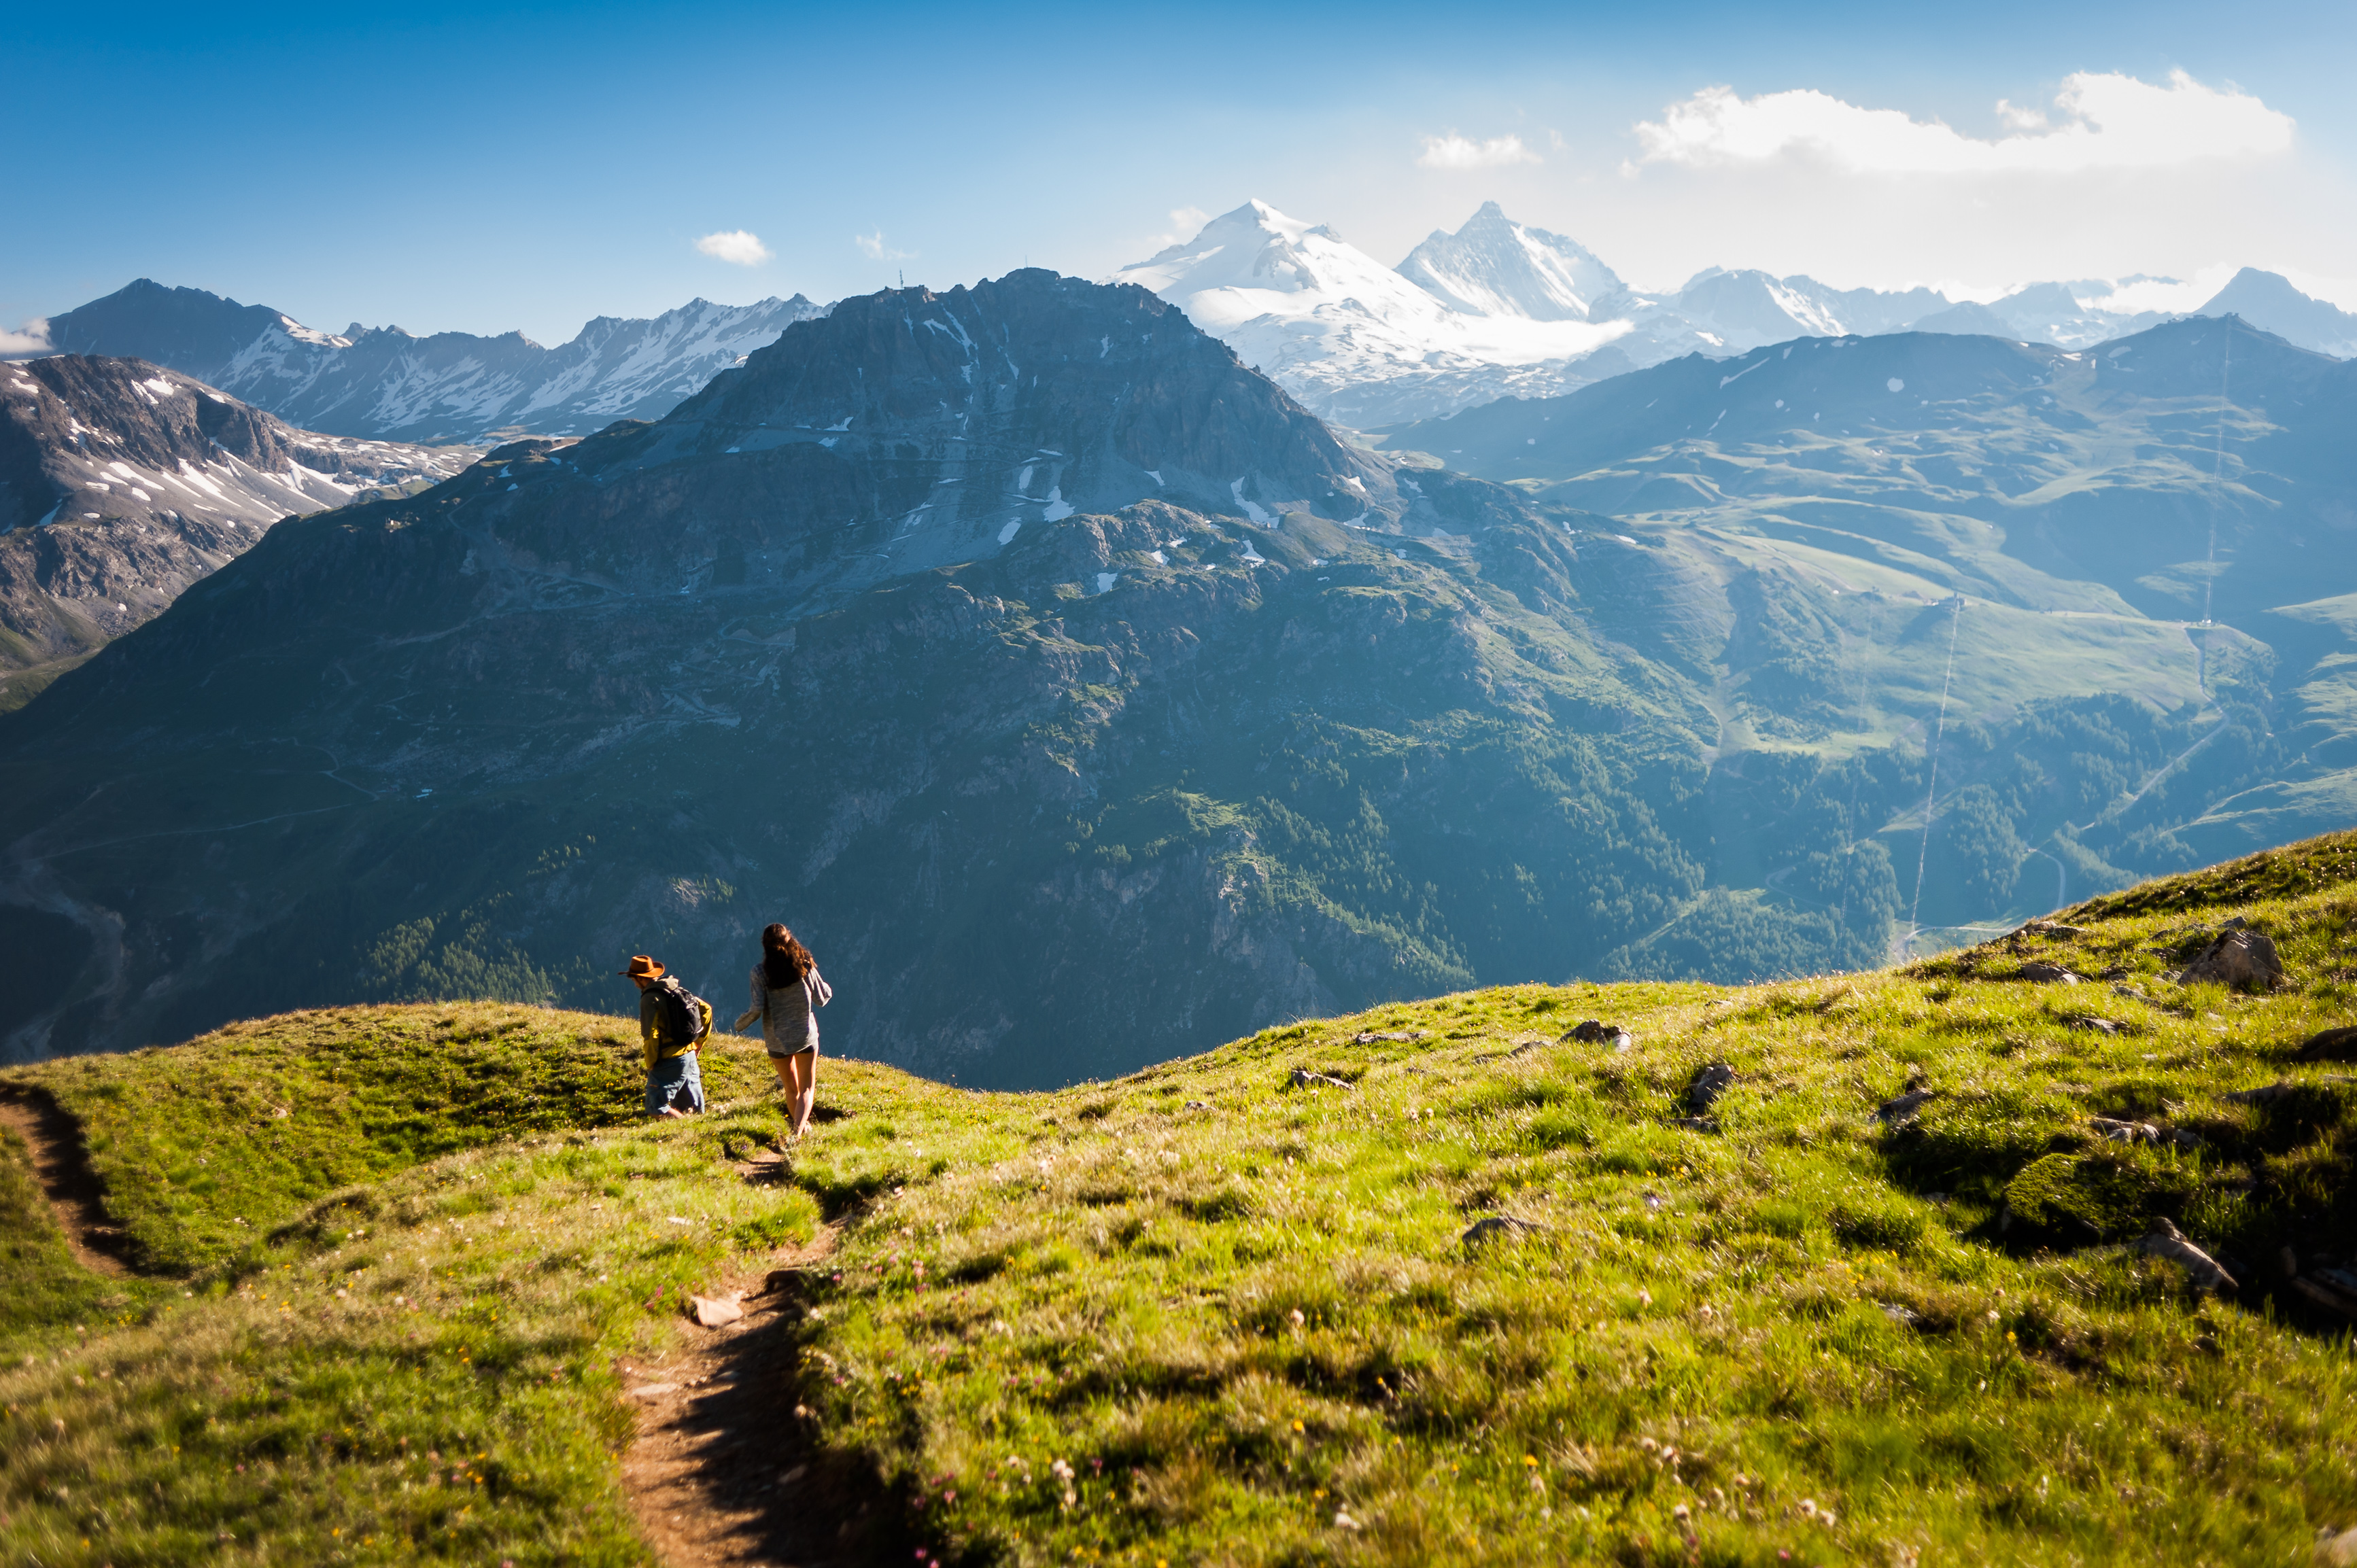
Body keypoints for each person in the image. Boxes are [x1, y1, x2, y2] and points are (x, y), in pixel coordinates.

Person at [735, 923, 831, 1136]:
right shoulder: (803, 964)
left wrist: (740, 1024)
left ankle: (800, 1129)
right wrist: (827, 989)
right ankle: (798, 1134)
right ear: (790, 940)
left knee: (791, 1089)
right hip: (805, 1037)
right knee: (807, 1088)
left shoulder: (759, 973)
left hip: (777, 1040)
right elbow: (821, 999)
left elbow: (757, 1007)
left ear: (765, 946)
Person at [621, 954, 709, 1117]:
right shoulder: (676, 989)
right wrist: (699, 1043)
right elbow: (706, 1010)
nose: (634, 984)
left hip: (669, 1061)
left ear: (640, 978)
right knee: (695, 1111)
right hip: (689, 1057)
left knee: (656, 1108)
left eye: (634, 980)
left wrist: (651, 1062)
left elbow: (651, 1034)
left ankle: (682, 1125)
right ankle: (695, 1135)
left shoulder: (649, 998)